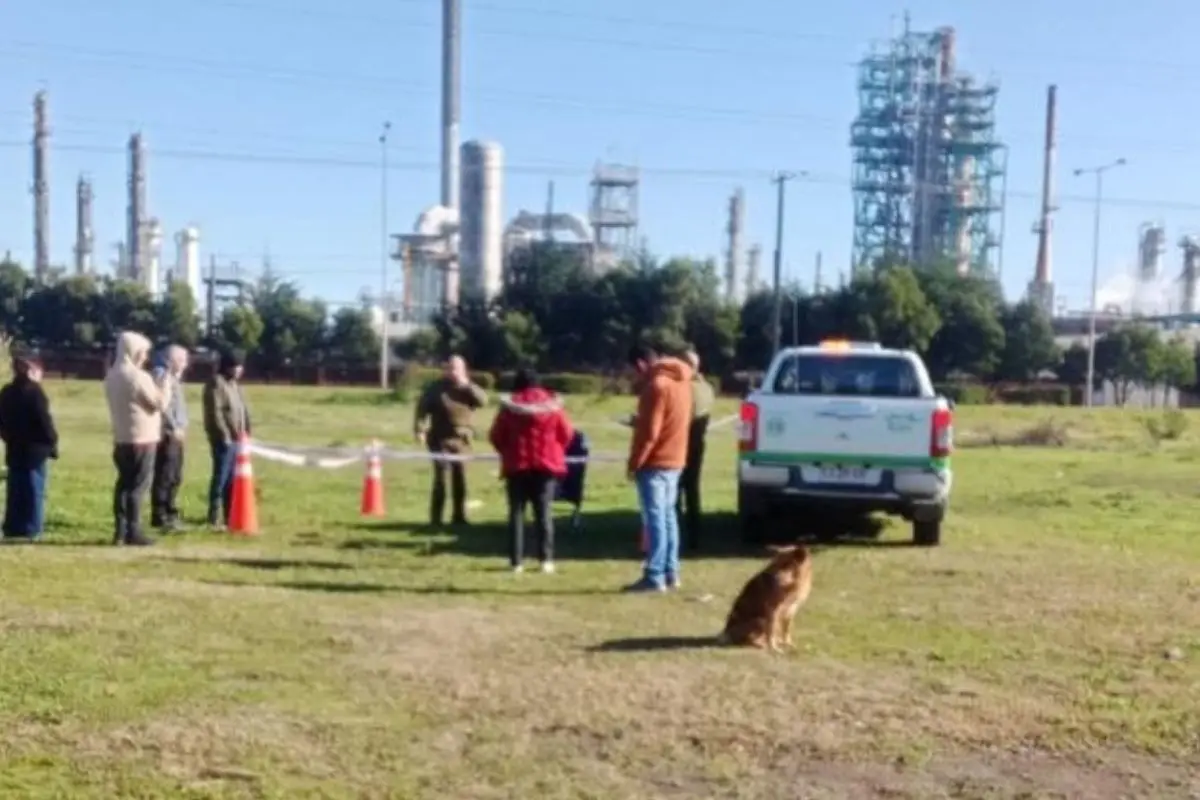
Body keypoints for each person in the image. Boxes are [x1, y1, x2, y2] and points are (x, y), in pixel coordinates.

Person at [489, 368, 574, 574]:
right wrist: (554, 451)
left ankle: (516, 562)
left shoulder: (510, 407)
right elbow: (567, 433)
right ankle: (546, 560)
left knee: (516, 515)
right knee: (544, 514)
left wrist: (508, 451)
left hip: (517, 466)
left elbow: (496, 435)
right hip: (545, 467)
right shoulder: (553, 406)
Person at [623, 342, 693, 593]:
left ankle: (654, 575)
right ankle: (671, 571)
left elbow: (650, 433)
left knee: (654, 519)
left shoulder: (656, 386)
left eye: (632, 371)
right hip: (676, 457)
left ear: (641, 364)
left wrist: (635, 462)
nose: (633, 377)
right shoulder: (683, 382)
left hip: (655, 460)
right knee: (668, 516)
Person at [104, 331, 173, 546]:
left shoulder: (112, 375)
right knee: (138, 486)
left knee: (123, 484)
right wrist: (165, 383)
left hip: (121, 437)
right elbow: (158, 404)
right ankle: (134, 531)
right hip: (142, 438)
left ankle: (120, 530)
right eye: (143, 353)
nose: (145, 357)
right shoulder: (138, 377)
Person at [414, 355, 488, 528]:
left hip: (462, 440)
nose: (453, 372)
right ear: (445, 370)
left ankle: (459, 516)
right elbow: (422, 409)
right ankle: (436, 518)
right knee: (441, 479)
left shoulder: (468, 388)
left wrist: (467, 385)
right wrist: (420, 430)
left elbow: (483, 401)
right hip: (440, 440)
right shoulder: (436, 389)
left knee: (460, 479)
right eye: (450, 368)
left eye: (457, 368)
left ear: (463, 370)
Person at [0, 349, 58, 541]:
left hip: (15, 447)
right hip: (35, 449)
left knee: (15, 489)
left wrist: (7, 437)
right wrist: (52, 441)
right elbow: (44, 421)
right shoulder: (35, 393)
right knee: (34, 490)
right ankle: (32, 527)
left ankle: (13, 525)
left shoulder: (6, 392)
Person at [203, 349, 251, 530]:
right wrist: (224, 436)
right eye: (236, 366)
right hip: (223, 441)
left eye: (241, 366)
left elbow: (242, 411)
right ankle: (213, 516)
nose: (240, 370)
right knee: (221, 477)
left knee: (232, 479)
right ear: (228, 366)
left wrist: (246, 433)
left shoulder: (235, 385)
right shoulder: (217, 383)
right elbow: (215, 412)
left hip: (237, 440)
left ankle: (229, 514)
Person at [677, 349, 715, 552]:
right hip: (698, 446)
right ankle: (694, 537)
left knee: (673, 492)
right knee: (693, 491)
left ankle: (674, 536)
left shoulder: (685, 389)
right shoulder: (707, 388)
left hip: (679, 444)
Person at [151, 344, 190, 532]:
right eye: (182, 360)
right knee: (165, 475)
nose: (185, 364)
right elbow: (163, 406)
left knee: (175, 475)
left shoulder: (174, 377)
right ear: (170, 360)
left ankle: (170, 510)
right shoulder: (161, 375)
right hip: (167, 434)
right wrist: (174, 427)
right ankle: (160, 514)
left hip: (177, 433)